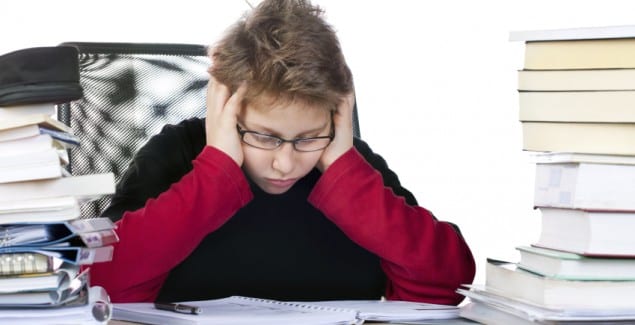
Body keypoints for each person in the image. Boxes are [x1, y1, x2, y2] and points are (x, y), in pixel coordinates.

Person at [89, 0, 476, 305]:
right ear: (225, 108)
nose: (285, 164)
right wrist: (215, 174)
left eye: (308, 137)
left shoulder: (350, 166)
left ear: (336, 117)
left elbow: (446, 284)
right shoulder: (175, 153)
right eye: (264, 136)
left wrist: (345, 175)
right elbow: (98, 284)